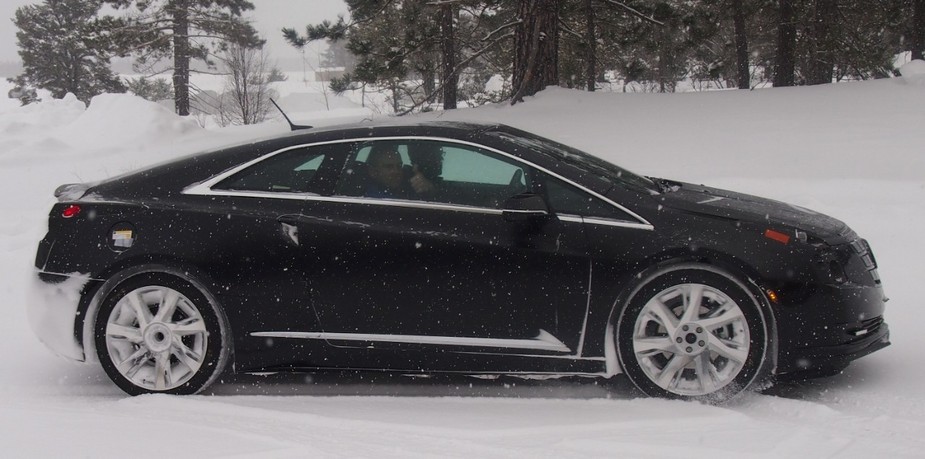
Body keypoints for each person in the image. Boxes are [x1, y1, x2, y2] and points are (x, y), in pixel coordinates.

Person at [364, 144, 442, 200]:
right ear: (373, 172)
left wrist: (430, 189)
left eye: (399, 166)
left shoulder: (404, 184)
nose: (396, 171)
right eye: (389, 167)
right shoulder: (373, 198)